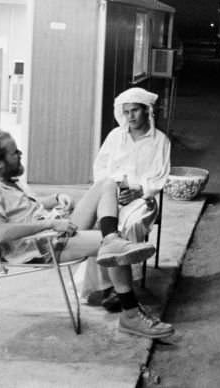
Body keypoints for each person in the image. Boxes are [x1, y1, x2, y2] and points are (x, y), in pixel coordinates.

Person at [0, 129, 175, 339]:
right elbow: (0, 232)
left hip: (52, 231)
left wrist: (56, 198)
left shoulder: (4, 179)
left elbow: (22, 209)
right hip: (42, 246)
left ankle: (111, 239)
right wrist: (51, 223)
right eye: (15, 152)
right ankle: (130, 315)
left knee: (107, 184)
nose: (20, 153)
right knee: (116, 245)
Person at [83, 88, 171, 312]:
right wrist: (111, 188)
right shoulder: (115, 136)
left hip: (143, 199)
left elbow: (159, 176)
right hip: (112, 194)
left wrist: (139, 190)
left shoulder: (160, 141)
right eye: (126, 112)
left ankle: (125, 287)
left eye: (135, 111)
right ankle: (105, 287)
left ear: (147, 111)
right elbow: (100, 167)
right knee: (102, 226)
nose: (130, 116)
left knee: (129, 224)